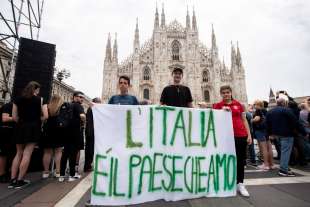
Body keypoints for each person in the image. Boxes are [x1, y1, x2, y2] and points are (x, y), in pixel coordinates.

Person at [213, 85, 252, 197]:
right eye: (224, 93)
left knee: (240, 160)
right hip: (226, 137)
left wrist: (249, 135)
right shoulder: (218, 106)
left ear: (231, 93)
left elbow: (244, 120)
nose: (226, 94)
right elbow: (213, 119)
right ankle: (228, 183)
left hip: (240, 135)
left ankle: (240, 183)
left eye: (227, 92)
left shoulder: (239, 105)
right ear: (221, 94)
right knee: (225, 160)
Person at [9, 81, 48, 189]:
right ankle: (20, 180)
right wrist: (36, 120)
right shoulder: (40, 100)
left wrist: (22, 122)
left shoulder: (18, 99)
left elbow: (14, 116)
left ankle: (12, 180)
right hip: (33, 127)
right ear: (36, 90)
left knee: (18, 153)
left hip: (20, 127)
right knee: (27, 153)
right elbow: (45, 116)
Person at [266, 95, 307, 177]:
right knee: (285, 152)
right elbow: (295, 122)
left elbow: (267, 124)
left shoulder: (270, 111)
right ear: (285, 102)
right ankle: (283, 170)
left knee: (282, 151)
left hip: (276, 135)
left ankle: (284, 167)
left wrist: (269, 134)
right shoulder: (287, 110)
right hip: (286, 134)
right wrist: (304, 132)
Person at [59, 91, 86, 182]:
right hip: (75, 133)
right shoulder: (78, 106)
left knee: (65, 154)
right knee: (73, 154)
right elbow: (82, 116)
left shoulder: (67, 105)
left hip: (65, 132)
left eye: (82, 97)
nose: (81, 99)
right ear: (74, 97)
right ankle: (71, 175)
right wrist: (83, 121)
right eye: (80, 97)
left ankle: (61, 175)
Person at [41, 95, 65, 179]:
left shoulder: (46, 106)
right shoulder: (61, 107)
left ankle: (46, 172)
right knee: (58, 152)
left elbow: (44, 118)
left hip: (48, 130)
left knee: (47, 152)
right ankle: (58, 172)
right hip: (59, 131)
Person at [252, 100, 274, 170]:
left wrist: (251, 120)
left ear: (257, 105)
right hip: (266, 130)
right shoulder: (265, 111)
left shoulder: (258, 111)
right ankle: (271, 164)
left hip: (260, 130)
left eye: (254, 104)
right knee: (269, 148)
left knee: (263, 148)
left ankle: (266, 164)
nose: (254, 106)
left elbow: (257, 119)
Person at [84, 97, 101, 172]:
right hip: (91, 132)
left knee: (90, 150)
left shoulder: (91, 109)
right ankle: (87, 166)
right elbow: (90, 122)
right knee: (90, 150)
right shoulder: (92, 109)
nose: (100, 104)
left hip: (90, 132)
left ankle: (88, 165)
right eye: (99, 102)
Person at [0, 102, 15, 183]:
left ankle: (9, 172)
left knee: (12, 153)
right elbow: (4, 118)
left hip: (12, 131)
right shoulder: (8, 105)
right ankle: (1, 174)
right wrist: (17, 118)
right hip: (5, 131)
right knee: (3, 154)